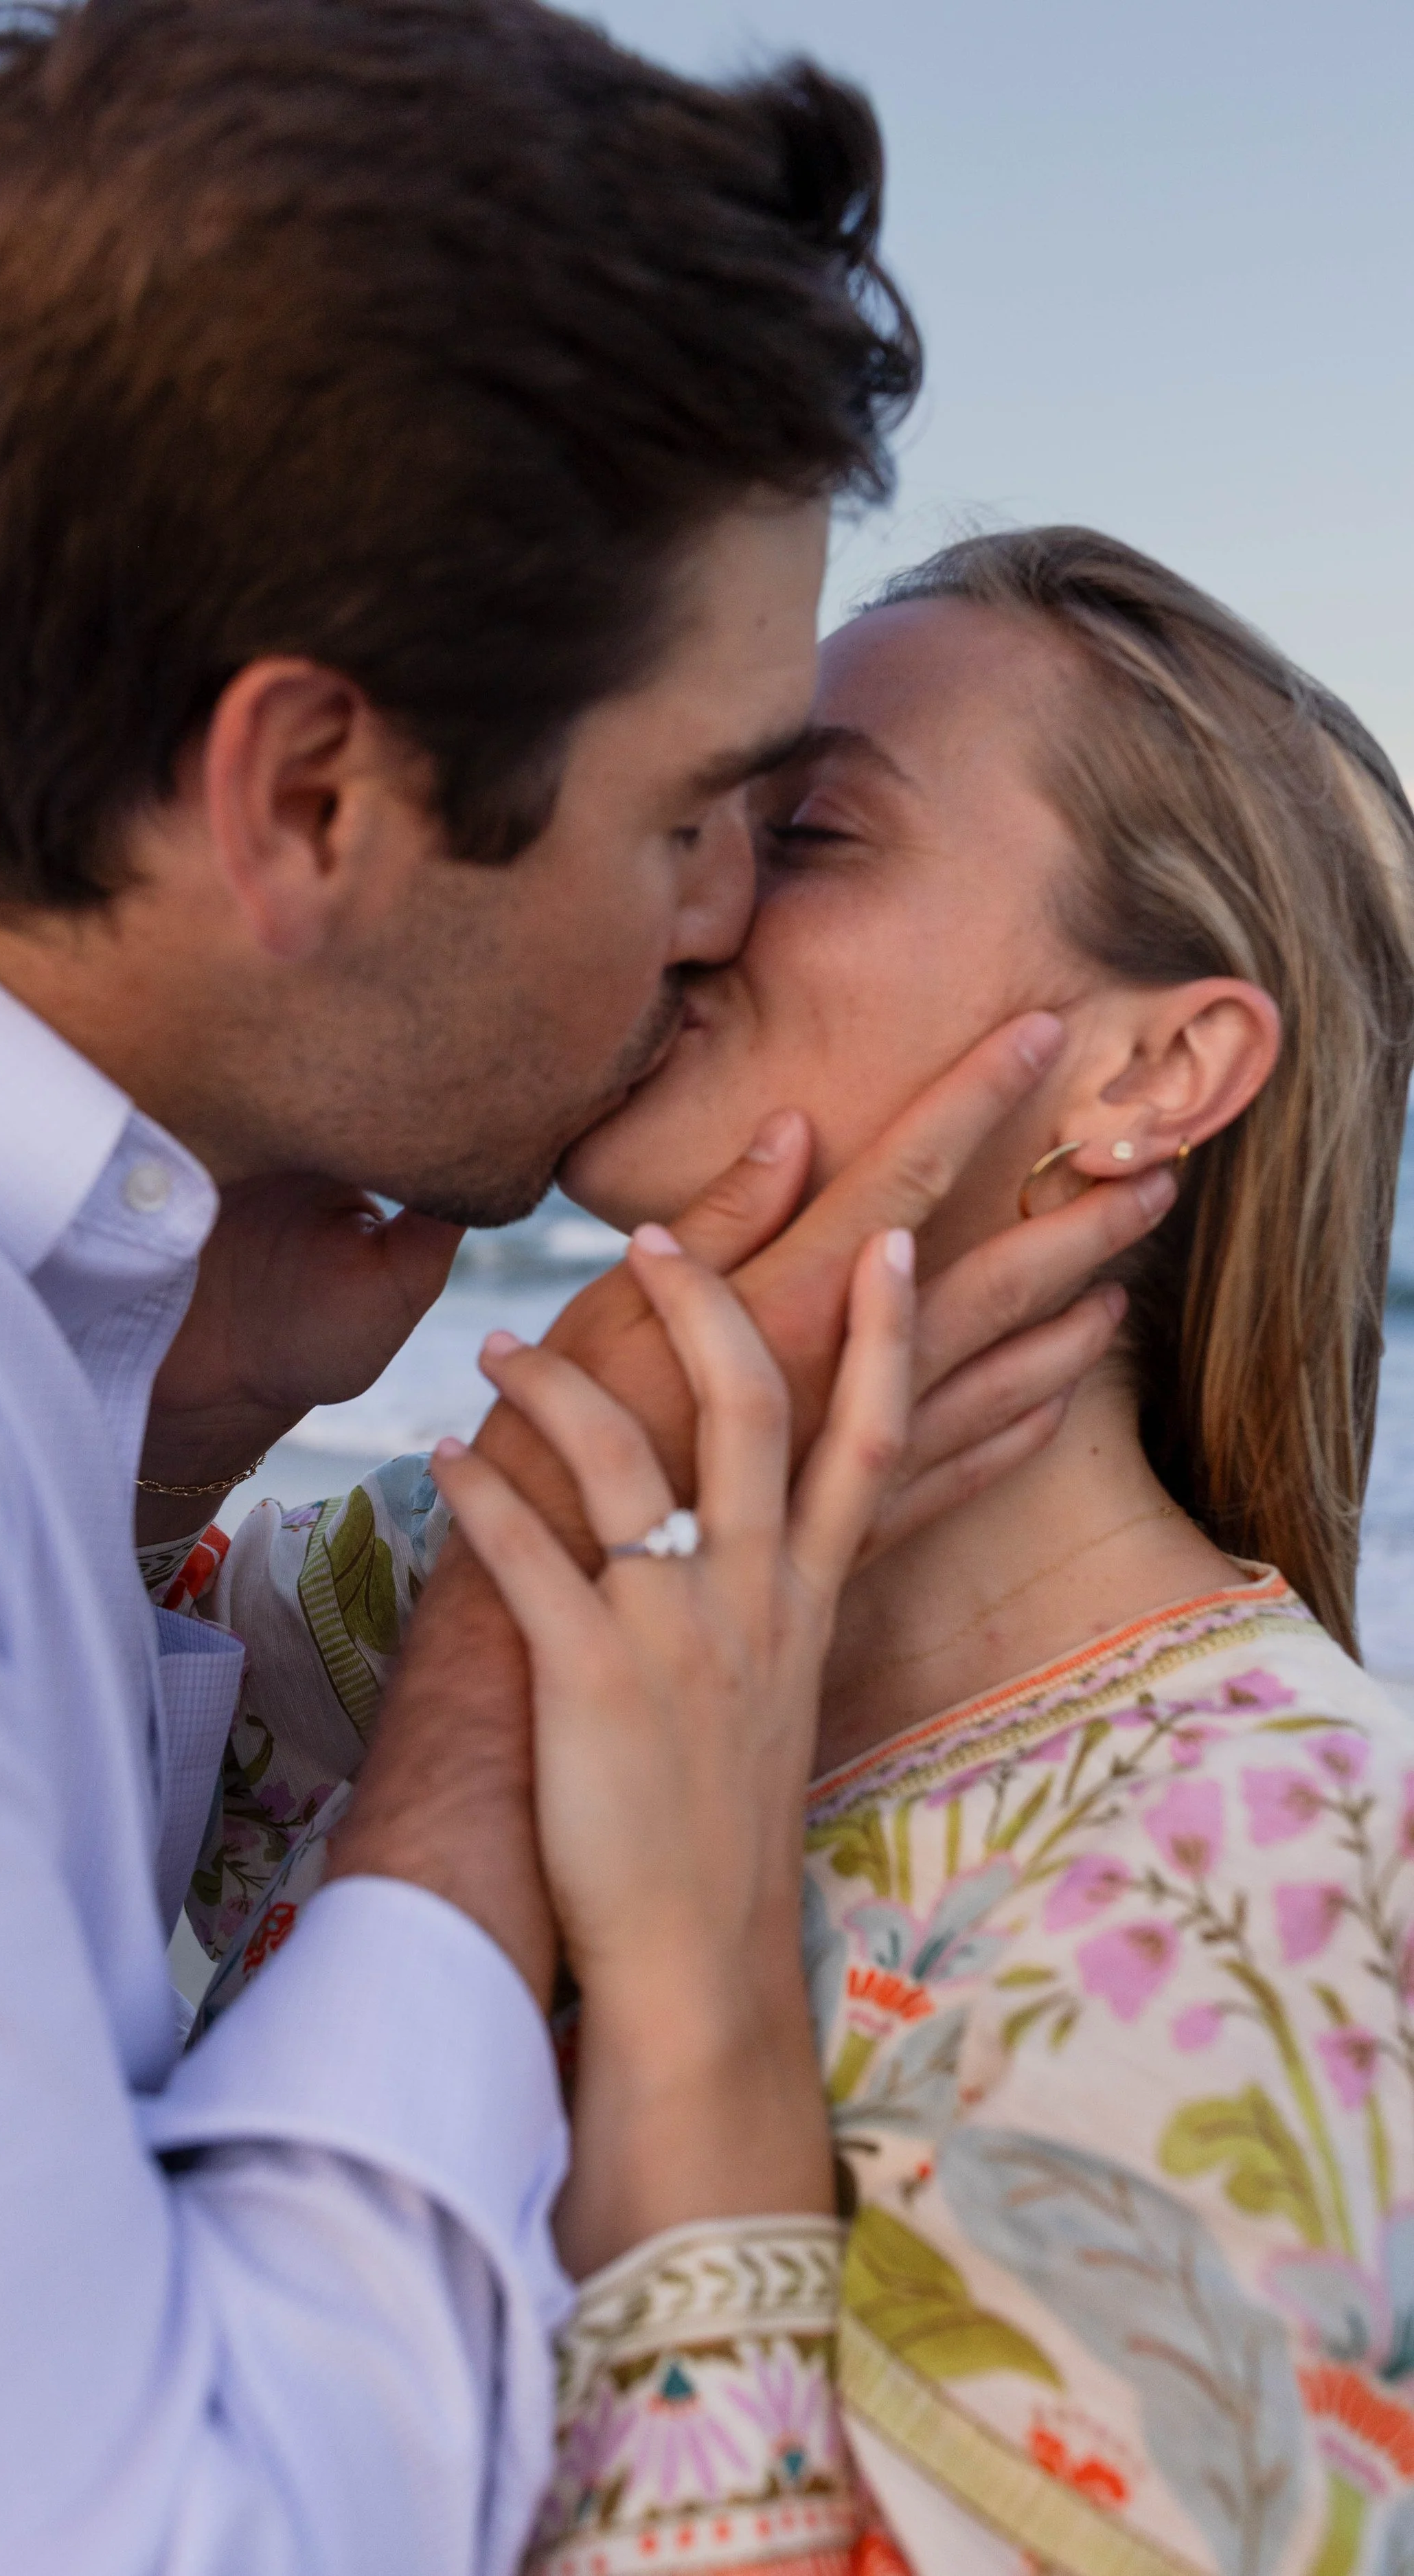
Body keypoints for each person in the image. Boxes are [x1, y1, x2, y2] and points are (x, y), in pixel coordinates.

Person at [0, 3, 1165, 2568]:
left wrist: (160, 1424)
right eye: (699, 813)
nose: (713, 923)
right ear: (308, 800)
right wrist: (491, 1693)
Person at [182, 530, 1414, 2576]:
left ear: (1150, 1071)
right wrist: (203, 1385)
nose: (680, 883)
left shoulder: (1301, 1877)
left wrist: (701, 2011)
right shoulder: (490, 1546)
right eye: (691, 807)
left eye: (806, 825)